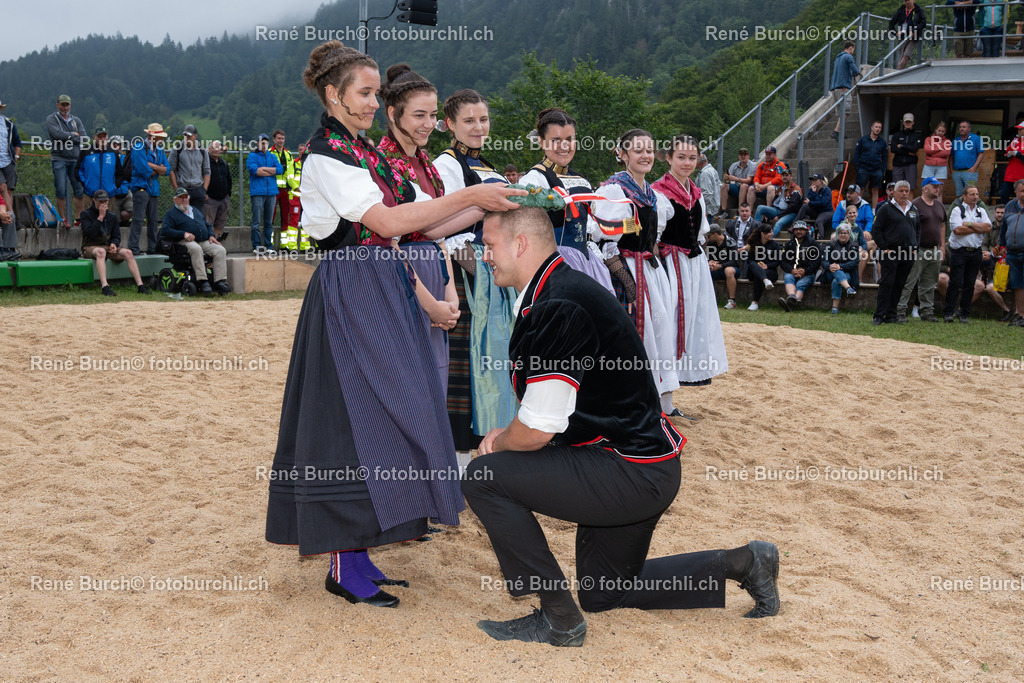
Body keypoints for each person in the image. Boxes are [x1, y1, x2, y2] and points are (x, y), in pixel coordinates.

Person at [264, 41, 523, 607]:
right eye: (364, 93)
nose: (371, 102)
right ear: (334, 95)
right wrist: (473, 193)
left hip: (383, 287)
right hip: (350, 291)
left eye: (376, 93)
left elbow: (421, 229)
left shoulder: (365, 151)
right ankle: (342, 561)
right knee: (347, 422)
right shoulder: (327, 154)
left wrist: (498, 202)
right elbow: (385, 219)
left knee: (391, 413)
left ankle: (361, 548)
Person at [463, 206, 780, 648]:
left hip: (629, 471)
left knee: (484, 477)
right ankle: (745, 563)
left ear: (520, 244)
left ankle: (558, 618)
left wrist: (497, 444)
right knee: (603, 593)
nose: (485, 255)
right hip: (641, 464)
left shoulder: (560, 304)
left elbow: (537, 429)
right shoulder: (562, 288)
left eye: (490, 245)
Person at [433, 88, 517, 468]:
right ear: (449, 124)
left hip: (492, 275)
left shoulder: (488, 167)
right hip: (467, 278)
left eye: (483, 119)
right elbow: (442, 227)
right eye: (468, 120)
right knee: (464, 368)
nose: (478, 126)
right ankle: (458, 464)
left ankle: (486, 454)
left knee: (492, 361)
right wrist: (480, 270)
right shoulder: (446, 166)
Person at [376, 63, 464, 397]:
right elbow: (388, 243)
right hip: (401, 280)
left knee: (433, 381)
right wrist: (430, 304)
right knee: (404, 383)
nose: (428, 124)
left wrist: (450, 293)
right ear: (393, 113)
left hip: (434, 277)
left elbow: (440, 237)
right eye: (418, 115)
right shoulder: (380, 163)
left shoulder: (428, 165)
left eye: (432, 116)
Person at [591, 129, 679, 412]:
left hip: (650, 273)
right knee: (635, 337)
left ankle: (660, 404)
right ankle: (632, 403)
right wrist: (627, 281)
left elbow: (652, 240)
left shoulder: (652, 195)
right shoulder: (613, 192)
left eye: (649, 150)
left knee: (659, 333)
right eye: (638, 150)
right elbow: (604, 241)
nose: (646, 156)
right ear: (623, 154)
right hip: (626, 272)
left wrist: (657, 272)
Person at [652, 134, 729, 387]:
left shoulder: (695, 192)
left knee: (696, 317)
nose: (687, 163)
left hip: (693, 263)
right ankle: (663, 382)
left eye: (692, 158)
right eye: (681, 157)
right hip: (670, 264)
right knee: (671, 319)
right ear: (669, 158)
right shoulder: (659, 192)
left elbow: (700, 232)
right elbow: (654, 237)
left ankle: (686, 375)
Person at [519, 108, 614, 292]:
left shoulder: (582, 181)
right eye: (556, 140)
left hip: (586, 264)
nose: (564, 146)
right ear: (541, 142)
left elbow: (589, 229)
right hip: (553, 266)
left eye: (569, 139)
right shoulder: (533, 180)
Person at [160, 187, 229, 295]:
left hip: (203, 240)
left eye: (185, 197)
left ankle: (219, 281)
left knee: (220, 250)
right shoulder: (171, 214)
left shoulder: (195, 210)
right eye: (180, 198)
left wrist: (211, 235)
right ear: (175, 200)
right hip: (183, 242)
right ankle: (203, 281)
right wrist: (184, 234)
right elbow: (165, 230)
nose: (184, 200)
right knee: (196, 248)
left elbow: (207, 225)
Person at [80, 190, 151, 296]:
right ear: (94, 201)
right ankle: (105, 287)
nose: (104, 204)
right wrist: (100, 217)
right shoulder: (85, 214)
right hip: (91, 246)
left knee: (128, 253)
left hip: (107, 245)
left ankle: (140, 286)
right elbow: (90, 234)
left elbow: (116, 236)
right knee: (101, 252)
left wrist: (114, 244)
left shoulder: (112, 216)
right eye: (101, 201)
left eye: (106, 201)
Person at [897, 177, 947, 322]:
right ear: (925, 188)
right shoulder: (915, 205)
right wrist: (911, 247)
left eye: (938, 187)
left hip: (934, 249)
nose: (938, 189)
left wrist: (942, 246)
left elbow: (942, 225)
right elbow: (908, 227)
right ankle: (900, 310)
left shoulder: (939, 205)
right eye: (934, 186)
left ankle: (927, 311)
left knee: (929, 283)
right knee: (909, 281)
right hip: (918, 249)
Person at [873, 181, 921, 324]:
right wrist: (884, 247)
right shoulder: (886, 209)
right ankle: (879, 315)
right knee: (887, 283)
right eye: (901, 190)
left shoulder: (913, 209)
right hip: (890, 252)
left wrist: (915, 247)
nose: (904, 193)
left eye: (907, 190)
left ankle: (892, 315)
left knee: (900, 284)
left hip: (908, 253)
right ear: (894, 192)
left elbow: (918, 230)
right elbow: (876, 230)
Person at [944, 185, 991, 322]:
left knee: (970, 283)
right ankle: (948, 312)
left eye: (976, 194)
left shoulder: (981, 211)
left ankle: (964, 313)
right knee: (955, 282)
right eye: (972, 194)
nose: (975, 197)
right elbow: (958, 231)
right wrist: (978, 228)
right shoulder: (957, 210)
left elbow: (988, 227)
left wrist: (969, 224)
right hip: (959, 251)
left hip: (975, 251)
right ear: (964, 196)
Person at [46, 94, 88, 227]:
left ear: (70, 105)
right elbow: (56, 135)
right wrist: (73, 135)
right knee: (60, 189)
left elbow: (83, 137)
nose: (65, 107)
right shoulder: (51, 119)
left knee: (79, 189)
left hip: (75, 158)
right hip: (59, 158)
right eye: (62, 104)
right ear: (57, 104)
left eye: (67, 104)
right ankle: (62, 219)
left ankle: (78, 219)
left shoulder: (76, 120)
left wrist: (68, 137)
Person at [127, 123, 169, 255]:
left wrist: (152, 166)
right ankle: (133, 247)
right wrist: (158, 168)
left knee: (153, 220)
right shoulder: (139, 148)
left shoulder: (160, 150)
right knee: (138, 218)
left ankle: (152, 248)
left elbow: (167, 170)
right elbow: (143, 170)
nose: (162, 140)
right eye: (160, 137)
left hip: (153, 189)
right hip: (140, 186)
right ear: (151, 136)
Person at [248, 133, 284, 254]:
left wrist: (263, 169)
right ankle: (257, 246)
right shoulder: (252, 156)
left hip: (272, 192)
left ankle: (269, 246)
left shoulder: (272, 156)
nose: (264, 145)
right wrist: (271, 171)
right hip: (258, 192)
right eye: (262, 143)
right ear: (257, 143)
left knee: (269, 222)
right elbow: (255, 171)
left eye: (266, 143)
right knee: (256, 221)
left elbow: (280, 170)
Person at [168, 124, 210, 218]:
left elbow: (207, 171)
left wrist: (204, 189)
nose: (187, 138)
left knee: (199, 218)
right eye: (185, 135)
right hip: (183, 189)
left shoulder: (202, 151)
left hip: (198, 189)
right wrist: (176, 188)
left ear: (196, 136)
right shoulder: (177, 149)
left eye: (189, 136)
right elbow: (171, 169)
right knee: (182, 218)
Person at [777, 221, 821, 311]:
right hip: (792, 272)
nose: (798, 232)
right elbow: (783, 261)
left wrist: (805, 271)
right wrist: (792, 270)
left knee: (801, 284)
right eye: (796, 230)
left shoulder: (813, 244)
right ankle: (792, 298)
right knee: (788, 278)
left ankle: (790, 304)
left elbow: (817, 262)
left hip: (808, 274)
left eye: (801, 229)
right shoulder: (789, 244)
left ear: (805, 231)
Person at [999, 179, 1024, 326]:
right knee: (1017, 284)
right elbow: (1003, 228)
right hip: (1012, 252)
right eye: (1022, 191)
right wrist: (1002, 245)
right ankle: (1020, 315)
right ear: (1015, 192)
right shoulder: (1010, 206)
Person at [744, 224, 784, 310]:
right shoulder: (754, 244)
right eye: (770, 232)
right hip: (754, 272)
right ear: (763, 234)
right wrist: (759, 265)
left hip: (770, 272)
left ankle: (755, 303)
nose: (772, 234)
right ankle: (765, 281)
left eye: (772, 232)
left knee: (759, 276)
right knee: (753, 264)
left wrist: (767, 266)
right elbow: (749, 260)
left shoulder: (774, 245)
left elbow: (777, 261)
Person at [821, 225, 860, 313]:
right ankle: (848, 288)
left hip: (847, 273)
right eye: (841, 233)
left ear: (849, 234)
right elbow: (824, 261)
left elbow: (854, 262)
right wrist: (830, 266)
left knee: (837, 281)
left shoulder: (854, 246)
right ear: (838, 234)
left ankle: (834, 308)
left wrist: (840, 266)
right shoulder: (831, 245)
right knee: (836, 270)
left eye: (845, 233)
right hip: (830, 273)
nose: (843, 235)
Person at [754, 167, 802, 236]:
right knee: (760, 208)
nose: (784, 177)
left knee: (778, 223)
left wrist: (779, 216)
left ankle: (768, 239)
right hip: (778, 210)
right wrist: (767, 213)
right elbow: (775, 202)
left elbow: (793, 206)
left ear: (791, 177)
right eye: (783, 175)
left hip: (790, 213)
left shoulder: (796, 189)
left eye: (787, 175)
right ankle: (756, 234)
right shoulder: (780, 187)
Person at [704, 225, 741, 308]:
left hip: (731, 268)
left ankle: (732, 301)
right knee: (703, 270)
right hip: (716, 268)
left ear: (715, 234)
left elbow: (734, 261)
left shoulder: (730, 242)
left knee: (729, 270)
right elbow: (707, 257)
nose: (707, 238)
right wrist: (710, 262)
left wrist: (720, 266)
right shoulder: (710, 243)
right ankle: (705, 300)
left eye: (709, 235)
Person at [829, 41, 860, 140]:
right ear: (850, 48)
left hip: (834, 88)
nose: (853, 52)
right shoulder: (848, 57)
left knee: (840, 112)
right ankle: (836, 131)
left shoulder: (838, 58)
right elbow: (855, 70)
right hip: (843, 88)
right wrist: (857, 72)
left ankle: (839, 133)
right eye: (853, 49)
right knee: (846, 111)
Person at [853, 121, 888, 206]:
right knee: (860, 189)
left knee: (875, 190)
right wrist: (857, 167)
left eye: (879, 127)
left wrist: (882, 170)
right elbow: (856, 154)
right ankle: (857, 208)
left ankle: (873, 211)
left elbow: (885, 157)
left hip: (876, 169)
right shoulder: (863, 140)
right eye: (876, 127)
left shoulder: (882, 142)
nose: (878, 129)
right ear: (872, 127)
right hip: (863, 168)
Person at [0, 99, 22, 233]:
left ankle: (8, 217)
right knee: (2, 187)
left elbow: (17, 142)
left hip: (7, 160)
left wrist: (16, 157)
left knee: (9, 190)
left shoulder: (8, 123)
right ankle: (12, 216)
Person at [270, 128, 294, 248]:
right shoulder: (269, 153)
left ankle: (284, 245)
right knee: (271, 216)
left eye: (282, 138)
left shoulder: (288, 154)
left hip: (286, 189)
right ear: (274, 139)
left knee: (286, 217)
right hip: (273, 189)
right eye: (278, 138)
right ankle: (270, 243)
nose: (281, 140)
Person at [717, 148, 756, 219]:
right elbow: (728, 180)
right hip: (736, 187)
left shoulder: (752, 165)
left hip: (748, 189)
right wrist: (726, 178)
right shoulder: (734, 165)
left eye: (745, 155)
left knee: (743, 185)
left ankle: (739, 210)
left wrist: (737, 179)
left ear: (748, 156)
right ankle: (724, 211)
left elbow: (749, 180)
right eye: (741, 155)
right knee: (724, 185)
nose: (743, 157)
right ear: (739, 156)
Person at [204, 141, 232, 241]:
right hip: (210, 199)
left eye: (217, 148)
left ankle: (216, 243)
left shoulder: (223, 163)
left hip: (224, 198)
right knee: (208, 222)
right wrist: (205, 194)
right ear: (209, 149)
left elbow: (229, 179)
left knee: (220, 223)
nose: (216, 150)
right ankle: (208, 246)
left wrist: (228, 193)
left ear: (220, 150)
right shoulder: (206, 163)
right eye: (213, 148)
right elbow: (201, 178)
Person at [889, 0, 927, 70]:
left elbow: (923, 23)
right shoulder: (901, 11)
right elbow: (891, 23)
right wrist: (895, 33)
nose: (907, 2)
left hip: (913, 37)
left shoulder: (918, 10)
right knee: (902, 57)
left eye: (909, 0)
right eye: (905, 0)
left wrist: (914, 30)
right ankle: (899, 72)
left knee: (906, 56)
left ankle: (898, 73)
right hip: (902, 37)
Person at [890, 113, 923, 191]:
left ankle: (909, 203)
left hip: (911, 164)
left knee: (910, 188)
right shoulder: (897, 135)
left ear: (913, 122)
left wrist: (902, 146)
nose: (908, 123)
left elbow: (915, 149)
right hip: (898, 163)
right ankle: (897, 203)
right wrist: (908, 152)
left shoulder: (917, 135)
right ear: (903, 123)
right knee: (897, 188)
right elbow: (893, 149)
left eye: (910, 122)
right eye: (906, 122)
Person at [950, 120, 983, 196]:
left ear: (969, 129)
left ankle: (972, 208)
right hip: (957, 172)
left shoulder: (976, 139)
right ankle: (961, 208)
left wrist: (975, 167)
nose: (961, 129)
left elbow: (981, 154)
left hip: (970, 171)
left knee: (972, 194)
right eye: (960, 127)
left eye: (964, 127)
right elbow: (951, 157)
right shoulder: (955, 141)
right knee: (959, 195)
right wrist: (951, 170)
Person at [746, 146, 785, 210]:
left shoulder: (780, 165)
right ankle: (749, 211)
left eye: (770, 154)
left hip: (776, 188)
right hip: (761, 187)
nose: (767, 156)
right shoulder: (762, 164)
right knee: (751, 188)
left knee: (770, 188)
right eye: (766, 154)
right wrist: (757, 185)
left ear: (775, 155)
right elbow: (756, 177)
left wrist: (764, 186)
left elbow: (778, 179)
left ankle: (768, 209)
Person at [1000, 121, 1024, 204]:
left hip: (1022, 176)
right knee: (1004, 194)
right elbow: (1006, 153)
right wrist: (1009, 155)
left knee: (1021, 197)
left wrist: (1017, 154)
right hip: (1010, 174)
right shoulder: (1015, 140)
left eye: (1020, 129)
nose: (1018, 131)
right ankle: (1005, 214)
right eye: (1018, 129)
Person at [694, 153, 721, 221]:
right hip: (713, 207)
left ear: (699, 162)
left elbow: (706, 193)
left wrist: (705, 209)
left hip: (708, 209)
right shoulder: (713, 170)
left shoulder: (705, 173)